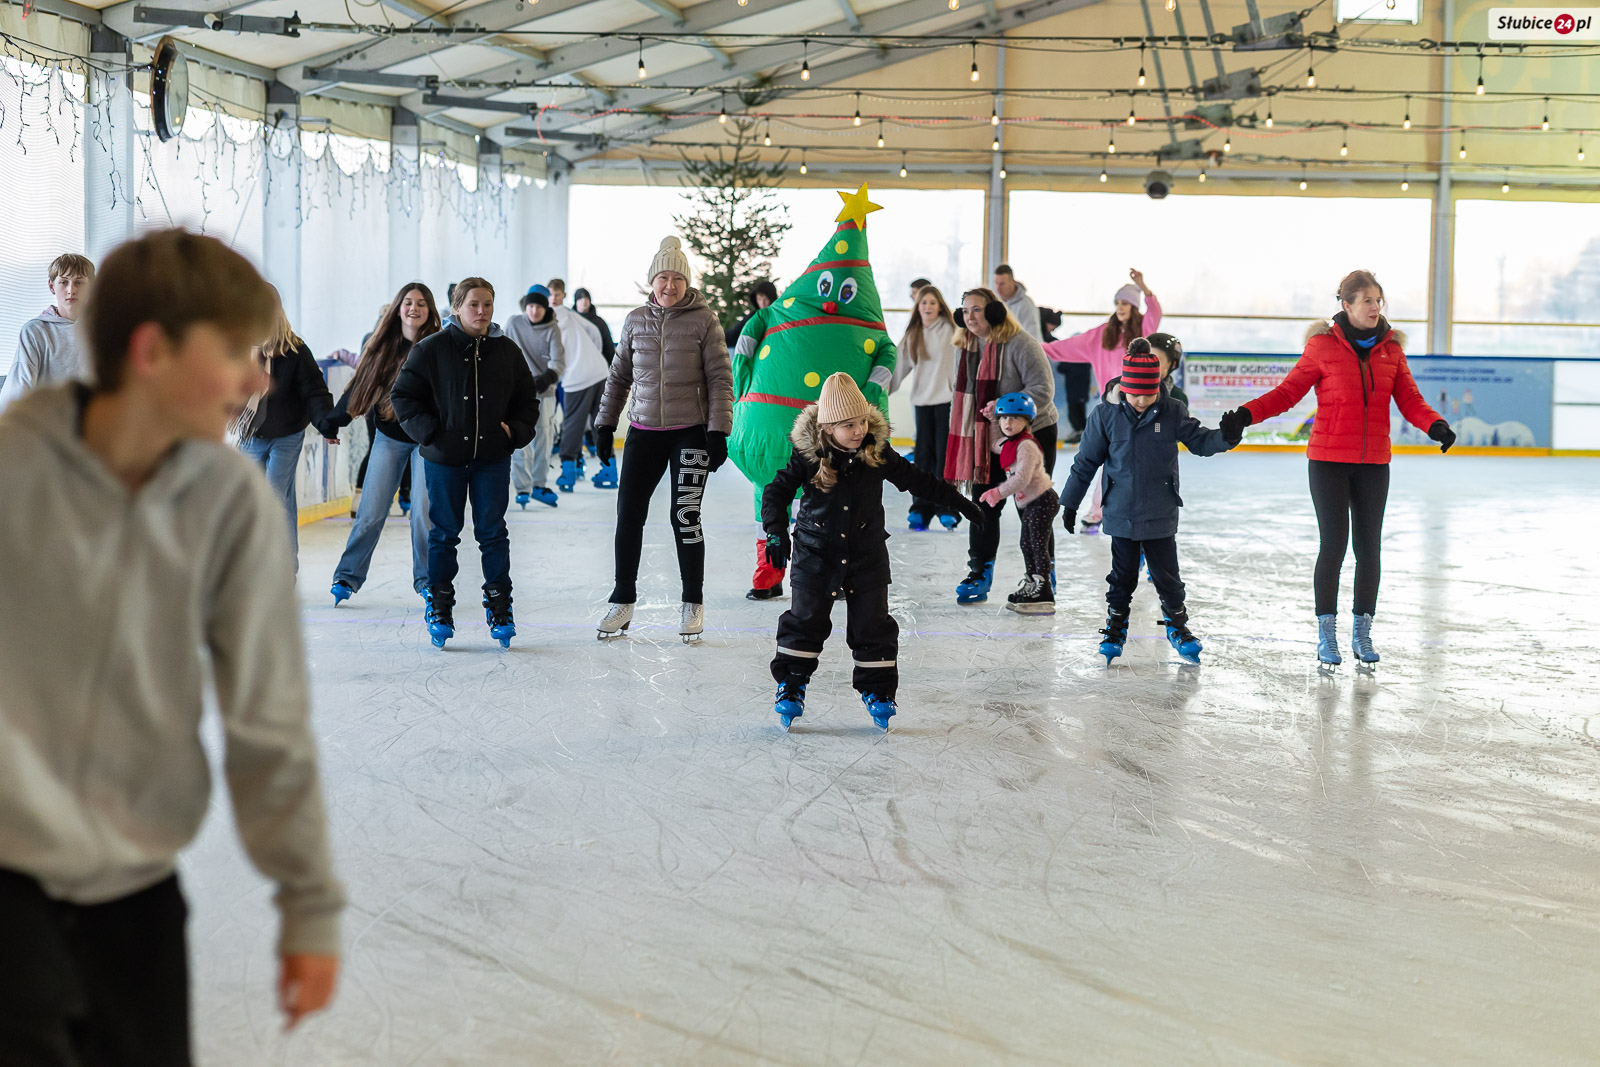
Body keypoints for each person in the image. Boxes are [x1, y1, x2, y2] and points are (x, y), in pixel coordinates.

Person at [0, 229, 343, 1061]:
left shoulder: (232, 506)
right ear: (153, 352)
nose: (260, 378)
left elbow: (269, 718)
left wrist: (308, 901)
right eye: (234, 352)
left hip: (137, 892)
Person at [1219, 269, 1454, 667]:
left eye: (1378, 300)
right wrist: (1246, 413)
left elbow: (1409, 397)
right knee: (1334, 546)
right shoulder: (1322, 347)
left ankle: (1362, 633)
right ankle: (1326, 635)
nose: (1375, 307)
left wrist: (1435, 424)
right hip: (1328, 461)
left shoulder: (1391, 350)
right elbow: (1288, 391)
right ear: (1346, 305)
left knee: (1369, 549)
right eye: (1367, 300)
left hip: (1374, 463)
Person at [762, 373, 983, 731]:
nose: (859, 430)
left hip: (866, 555)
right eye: (848, 424)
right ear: (828, 426)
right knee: (805, 620)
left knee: (873, 625)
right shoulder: (809, 456)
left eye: (863, 420)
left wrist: (960, 503)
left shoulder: (876, 453)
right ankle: (791, 684)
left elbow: (918, 480)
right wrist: (775, 532)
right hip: (815, 553)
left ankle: (878, 691)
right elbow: (776, 492)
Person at [1060, 338, 1236, 665]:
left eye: (1148, 393)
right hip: (1120, 511)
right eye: (1135, 393)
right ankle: (1115, 625)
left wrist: (1227, 436)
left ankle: (1178, 626)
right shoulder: (1105, 416)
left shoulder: (1171, 411)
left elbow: (1199, 441)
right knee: (1122, 575)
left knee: (1167, 576)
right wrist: (1070, 502)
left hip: (1159, 510)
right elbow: (1086, 461)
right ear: (1123, 388)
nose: (1141, 400)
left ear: (1159, 387)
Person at [593, 236, 734, 643]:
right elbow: (619, 376)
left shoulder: (704, 320)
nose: (669, 285)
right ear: (651, 281)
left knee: (685, 516)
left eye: (676, 278)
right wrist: (605, 424)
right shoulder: (635, 320)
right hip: (642, 431)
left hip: (689, 432)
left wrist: (718, 432)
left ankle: (693, 602)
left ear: (686, 282)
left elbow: (720, 379)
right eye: (662, 277)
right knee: (628, 514)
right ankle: (623, 599)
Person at [391, 276, 540, 650]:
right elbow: (403, 395)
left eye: (487, 304)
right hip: (445, 460)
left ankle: (500, 607)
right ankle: (439, 605)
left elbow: (528, 401)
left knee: (493, 533)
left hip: (492, 459)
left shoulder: (506, 351)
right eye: (473, 304)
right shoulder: (431, 349)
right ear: (457, 307)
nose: (481, 311)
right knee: (443, 533)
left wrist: (514, 433)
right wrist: (431, 433)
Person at [326, 282, 441, 604]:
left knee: (422, 512)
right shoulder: (383, 346)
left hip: (426, 442)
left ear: (429, 309)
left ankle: (427, 580)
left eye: (421, 303)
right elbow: (360, 385)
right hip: (389, 437)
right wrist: (336, 419)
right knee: (370, 512)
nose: (414, 308)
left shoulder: (437, 345)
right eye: (408, 302)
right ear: (398, 308)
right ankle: (347, 577)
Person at [946, 287, 1059, 605]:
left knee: (1032, 507)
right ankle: (980, 570)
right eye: (965, 311)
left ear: (995, 312)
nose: (969, 316)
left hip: (1033, 433)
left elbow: (1043, 388)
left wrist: (1003, 409)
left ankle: (1041, 574)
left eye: (977, 310)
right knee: (984, 502)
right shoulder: (963, 346)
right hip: (986, 437)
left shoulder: (1021, 343)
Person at [235, 293, 338, 566]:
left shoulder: (295, 351)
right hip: (251, 435)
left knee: (275, 496)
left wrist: (326, 423)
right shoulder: (239, 348)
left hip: (287, 435)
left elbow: (314, 391)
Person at [980, 392, 1060, 614]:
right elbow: (996, 443)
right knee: (1026, 544)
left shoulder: (1026, 446)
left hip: (1042, 500)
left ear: (1027, 421)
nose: (1008, 422)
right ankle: (1032, 584)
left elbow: (1021, 478)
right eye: (1004, 418)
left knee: (1037, 544)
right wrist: (993, 420)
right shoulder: (1011, 443)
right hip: (1032, 503)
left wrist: (998, 492)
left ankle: (1043, 588)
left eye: (1014, 418)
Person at [890, 283, 961, 531]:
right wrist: (881, 391)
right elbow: (898, 368)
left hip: (947, 403)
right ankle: (920, 508)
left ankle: (946, 508)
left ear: (940, 305)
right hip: (922, 403)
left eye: (932, 302)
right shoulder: (913, 335)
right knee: (922, 460)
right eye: (923, 303)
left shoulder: (953, 330)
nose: (928, 307)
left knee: (944, 459)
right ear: (917, 307)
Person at [0, 252, 94, 412]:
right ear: (52, 286)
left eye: (78, 282)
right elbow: (19, 388)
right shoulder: (35, 331)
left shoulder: (100, 329)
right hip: (47, 420)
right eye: (64, 282)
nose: (71, 290)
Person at [544, 281, 611, 491]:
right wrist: (591, 356)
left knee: (572, 424)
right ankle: (610, 470)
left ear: (563, 295)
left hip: (576, 377)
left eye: (556, 294)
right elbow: (594, 332)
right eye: (550, 295)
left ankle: (568, 474)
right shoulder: (572, 315)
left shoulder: (548, 319)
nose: (553, 299)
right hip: (599, 370)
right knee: (601, 423)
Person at [505, 288, 565, 509]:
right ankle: (522, 487)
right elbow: (502, 350)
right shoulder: (513, 323)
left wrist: (544, 379)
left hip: (543, 392)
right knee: (520, 441)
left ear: (545, 309)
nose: (534, 311)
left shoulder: (553, 329)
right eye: (530, 306)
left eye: (539, 307)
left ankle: (539, 484)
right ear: (525, 307)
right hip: (517, 393)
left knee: (543, 438)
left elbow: (558, 363)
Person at [992, 264, 1042, 342]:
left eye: (1002, 284)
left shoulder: (1026, 305)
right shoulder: (994, 303)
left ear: (1013, 282)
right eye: (996, 283)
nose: (998, 288)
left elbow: (1033, 339)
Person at [723, 280, 778, 349]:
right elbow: (735, 333)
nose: (762, 303)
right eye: (759, 299)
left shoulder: (778, 316)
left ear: (772, 298)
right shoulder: (754, 316)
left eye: (766, 299)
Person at [572, 287, 615, 364]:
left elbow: (608, 347)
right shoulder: (570, 321)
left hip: (596, 364)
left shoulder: (600, 322)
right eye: (580, 299)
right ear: (576, 302)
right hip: (574, 364)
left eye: (586, 298)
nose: (584, 301)